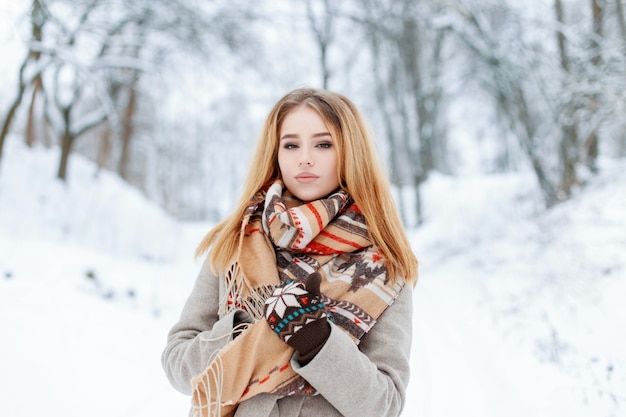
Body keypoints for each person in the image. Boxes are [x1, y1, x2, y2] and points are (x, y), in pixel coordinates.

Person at [161, 88, 418, 417]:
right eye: (291, 144)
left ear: (350, 152)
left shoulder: (384, 268)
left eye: (323, 144)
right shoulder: (235, 243)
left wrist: (318, 340)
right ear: (276, 154)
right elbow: (177, 365)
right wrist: (247, 330)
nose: (305, 158)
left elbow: (385, 405)